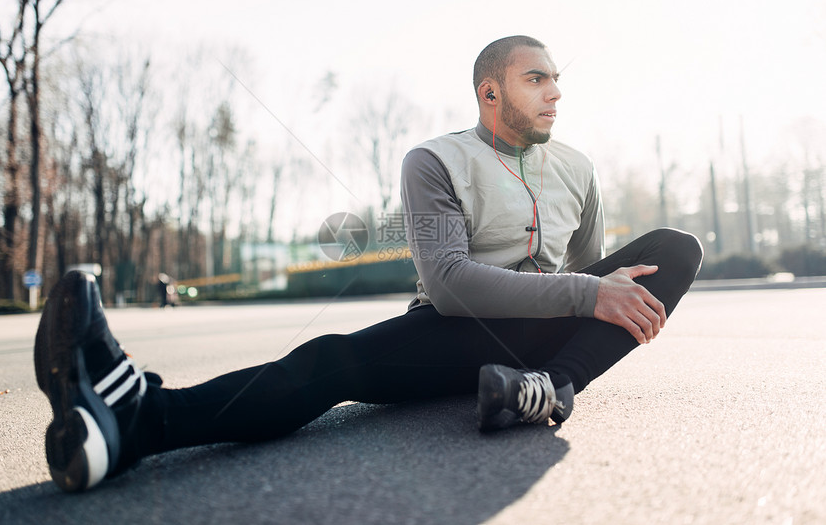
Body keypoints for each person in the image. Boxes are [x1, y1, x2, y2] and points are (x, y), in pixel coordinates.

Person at [34, 35, 703, 492]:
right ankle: (134, 422)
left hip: (545, 349)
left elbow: (594, 273)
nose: (554, 92)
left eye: (557, 79)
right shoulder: (434, 161)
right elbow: (448, 283)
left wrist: (588, 299)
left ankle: (552, 391)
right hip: (460, 331)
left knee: (676, 247)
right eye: (536, 79)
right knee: (332, 362)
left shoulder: (579, 169)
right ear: (489, 93)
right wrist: (588, 296)